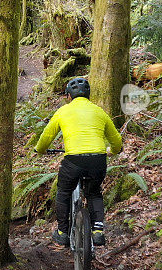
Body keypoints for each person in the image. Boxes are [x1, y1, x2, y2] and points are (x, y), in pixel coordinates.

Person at [35, 77, 122, 247]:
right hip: (98, 159)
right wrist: (114, 151)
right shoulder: (99, 111)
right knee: (94, 193)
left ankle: (62, 232)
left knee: (63, 192)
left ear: (68, 96)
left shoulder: (63, 111)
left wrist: (40, 150)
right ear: (88, 95)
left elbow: (46, 136)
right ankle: (98, 231)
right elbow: (117, 140)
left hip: (73, 160)